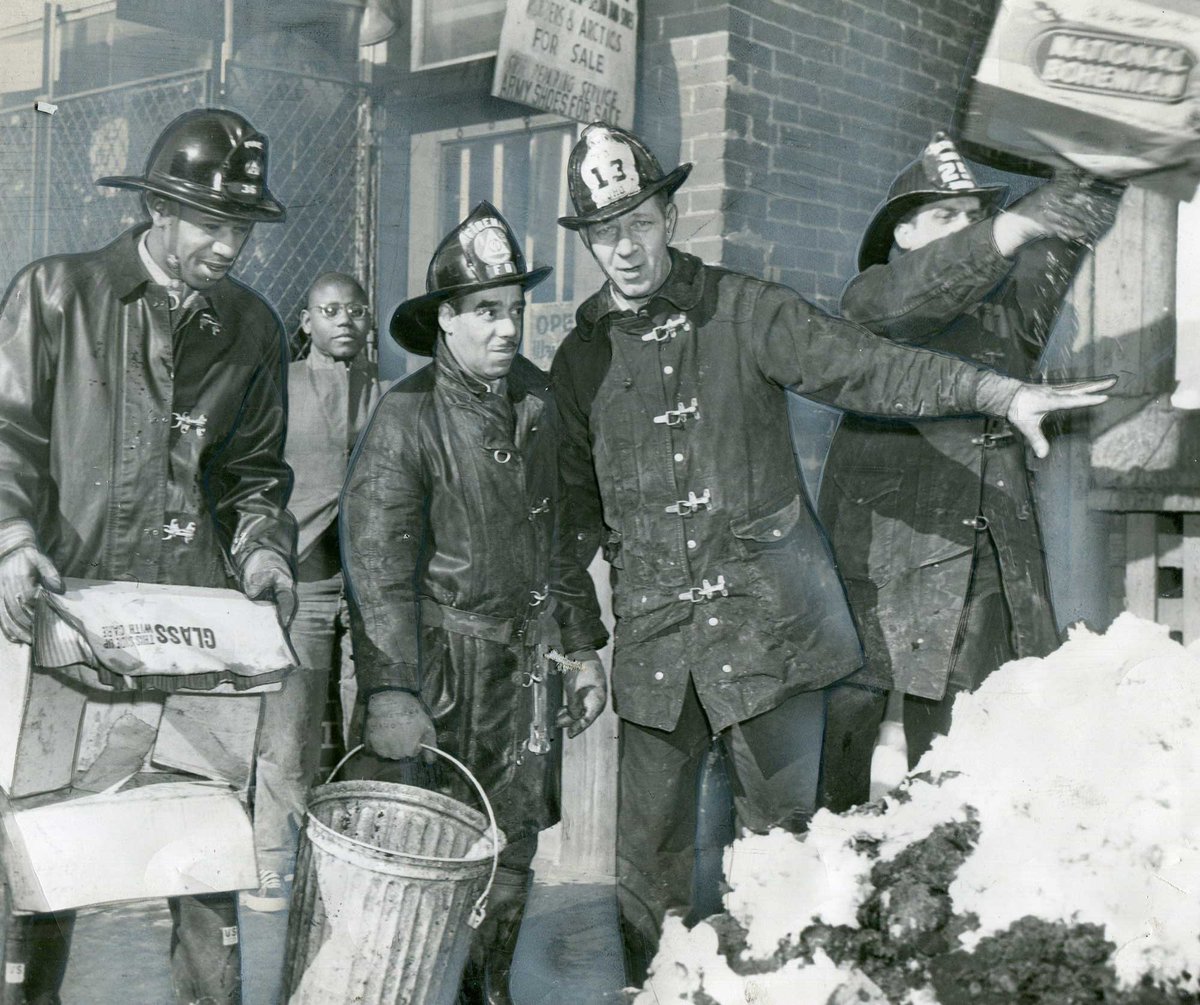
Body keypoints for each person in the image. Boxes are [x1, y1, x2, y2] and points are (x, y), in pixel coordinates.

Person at [548, 122, 1116, 982]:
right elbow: (568, 514)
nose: (623, 248)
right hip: (659, 651)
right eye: (603, 232)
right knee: (645, 883)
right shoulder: (580, 357)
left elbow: (870, 368)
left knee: (780, 872)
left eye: (638, 223)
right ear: (588, 241)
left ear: (668, 215)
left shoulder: (747, 309)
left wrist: (996, 391)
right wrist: (580, 638)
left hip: (771, 633)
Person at [0, 107, 296, 1005]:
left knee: (203, 857)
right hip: (65, 621)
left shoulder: (254, 327)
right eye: (211, 223)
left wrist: (263, 550)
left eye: (241, 227)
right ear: (159, 210)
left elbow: (253, 473)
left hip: (195, 633)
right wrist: (12, 541)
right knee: (38, 863)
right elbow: (6, 436)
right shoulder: (57, 293)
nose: (228, 246)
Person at [341, 202, 606, 1005]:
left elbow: (560, 536)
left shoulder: (537, 400)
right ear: (445, 322)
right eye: (486, 311)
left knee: (513, 843)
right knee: (431, 858)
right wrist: (390, 688)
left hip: (523, 671)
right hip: (441, 679)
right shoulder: (406, 415)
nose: (505, 328)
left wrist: (582, 645)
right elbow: (377, 563)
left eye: (515, 310)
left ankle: (491, 987)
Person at [817, 133, 1122, 811]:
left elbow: (1062, 239)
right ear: (902, 230)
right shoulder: (874, 296)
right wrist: (1010, 226)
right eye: (945, 216)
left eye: (973, 216)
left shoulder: (1005, 316)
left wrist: (1111, 157)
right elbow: (917, 295)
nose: (967, 229)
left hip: (986, 566)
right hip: (888, 569)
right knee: (841, 767)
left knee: (972, 761)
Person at [244, 271, 380, 912]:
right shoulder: (280, 389)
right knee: (288, 729)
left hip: (372, 586)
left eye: (355, 310)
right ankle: (272, 865)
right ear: (306, 321)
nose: (344, 320)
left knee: (372, 725)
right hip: (304, 581)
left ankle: (357, 865)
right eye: (330, 310)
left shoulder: (389, 394)